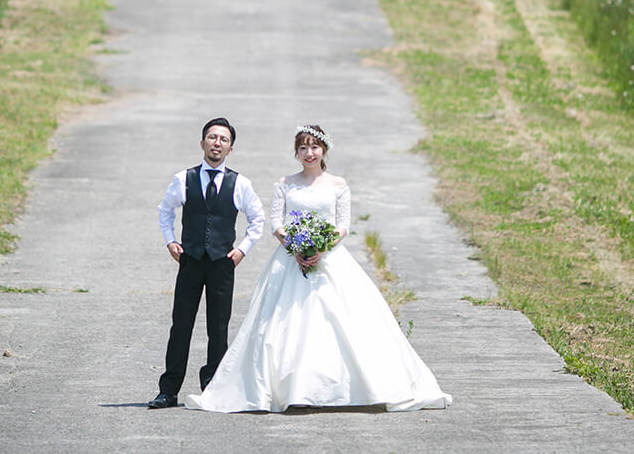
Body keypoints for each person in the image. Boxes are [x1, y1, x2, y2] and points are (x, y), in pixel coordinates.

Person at [184, 124, 451, 413]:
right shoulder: (285, 182)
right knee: (283, 324)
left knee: (343, 322)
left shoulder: (338, 184)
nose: (308, 153)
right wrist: (296, 247)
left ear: (324, 150)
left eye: (314, 147)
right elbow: (276, 222)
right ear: (296, 152)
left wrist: (321, 248)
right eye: (303, 148)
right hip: (289, 259)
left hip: (330, 259)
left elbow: (343, 224)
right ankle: (288, 389)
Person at [148, 117, 265, 409]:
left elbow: (258, 220)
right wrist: (169, 240)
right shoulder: (183, 178)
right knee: (181, 325)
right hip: (190, 260)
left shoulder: (240, 183)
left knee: (219, 328)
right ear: (202, 143)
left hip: (222, 264)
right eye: (212, 137)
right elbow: (165, 211)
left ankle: (213, 388)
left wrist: (242, 250)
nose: (217, 143)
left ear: (231, 148)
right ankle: (169, 390)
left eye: (223, 140)